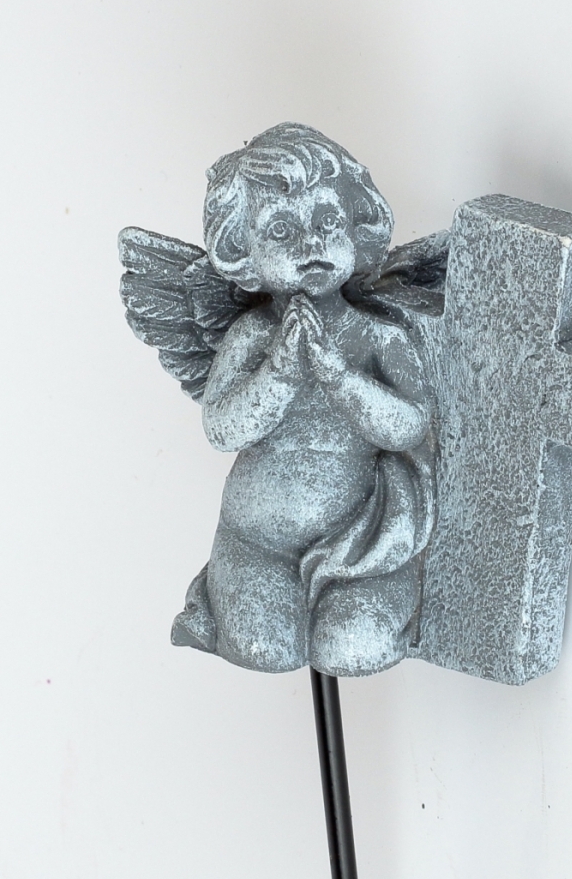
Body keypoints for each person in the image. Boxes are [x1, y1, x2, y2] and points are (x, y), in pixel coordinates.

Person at [172, 124, 435, 676]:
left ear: (358, 227)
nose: (310, 243)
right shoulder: (253, 335)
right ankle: (220, 595)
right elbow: (221, 427)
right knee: (265, 653)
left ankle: (386, 600)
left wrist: (338, 376)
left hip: (358, 550)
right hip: (255, 542)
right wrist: (280, 373)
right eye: (281, 229)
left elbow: (410, 424)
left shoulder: (379, 336)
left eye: (327, 221)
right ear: (241, 251)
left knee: (350, 650)